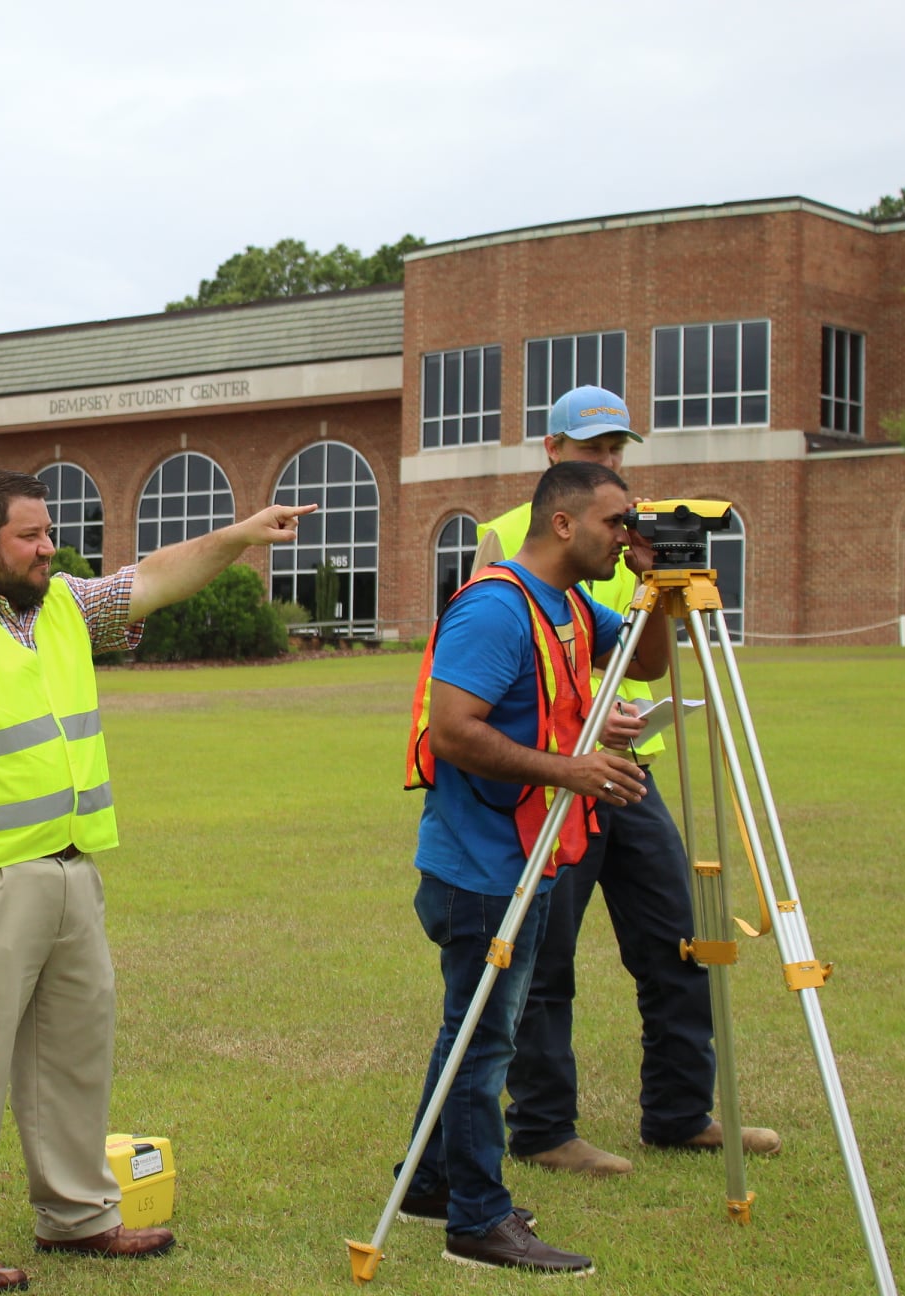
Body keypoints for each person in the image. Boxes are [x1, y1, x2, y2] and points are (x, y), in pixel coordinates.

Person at [0, 468, 312, 1291]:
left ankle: (76, 1215)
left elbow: (153, 575)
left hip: (72, 874)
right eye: (31, 536)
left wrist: (240, 536)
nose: (49, 548)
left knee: (76, 1054)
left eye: (49, 533)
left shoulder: (63, 604)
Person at [472, 387, 780, 1176]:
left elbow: (641, 658)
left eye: (616, 450)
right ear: (552, 452)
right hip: (557, 774)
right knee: (546, 959)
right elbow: (485, 669)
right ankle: (544, 1129)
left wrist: (664, 583)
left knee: (679, 937)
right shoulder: (506, 537)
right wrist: (570, 726)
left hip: (631, 770)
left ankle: (680, 1113)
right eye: (592, 449)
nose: (608, 462)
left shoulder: (632, 529)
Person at [395, 459, 670, 1275]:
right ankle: (477, 1221)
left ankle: (430, 1182)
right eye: (615, 523)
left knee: (471, 1033)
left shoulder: (574, 604)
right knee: (483, 1044)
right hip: (482, 866)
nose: (625, 536)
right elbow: (453, 731)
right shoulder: (496, 606)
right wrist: (573, 769)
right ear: (562, 524)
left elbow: (646, 664)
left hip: (534, 852)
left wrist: (658, 587)